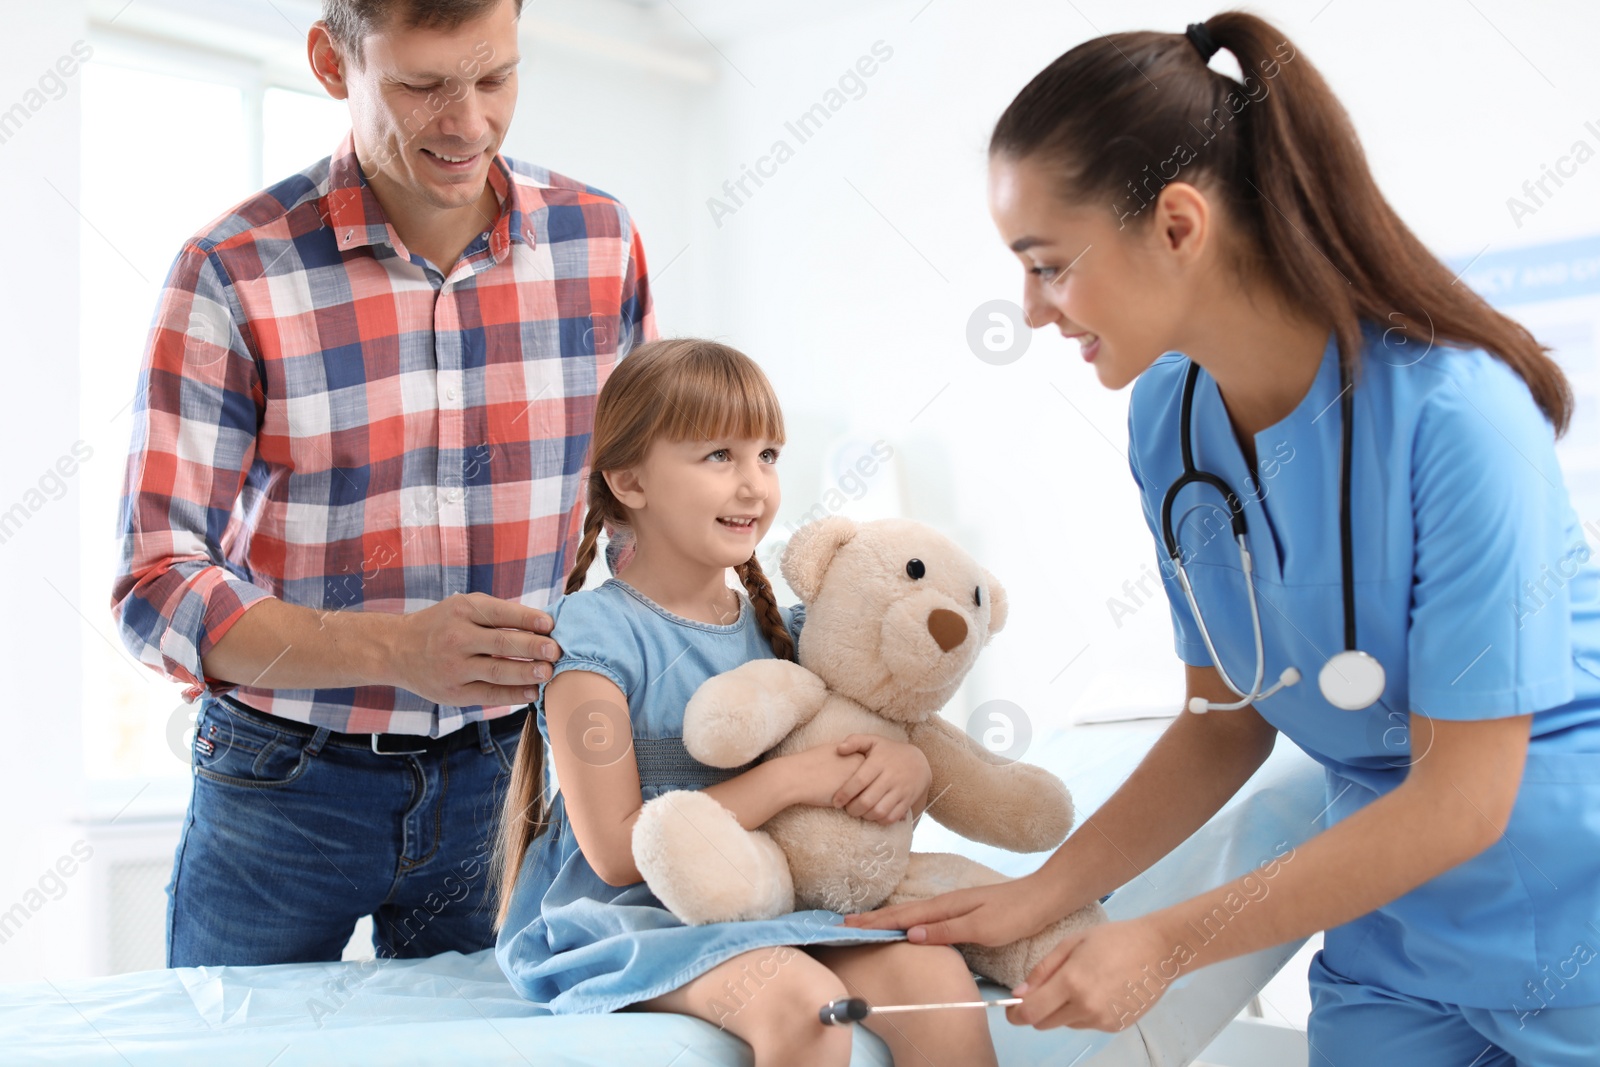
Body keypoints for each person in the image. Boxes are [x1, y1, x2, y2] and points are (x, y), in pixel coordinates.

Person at [846, 11, 1600, 1064]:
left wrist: (1165, 940)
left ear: (1177, 224)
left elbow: (1463, 796)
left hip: (1568, 922)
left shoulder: (1459, 416)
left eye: (1049, 263)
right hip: (1393, 939)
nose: (1029, 309)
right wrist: (1043, 891)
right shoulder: (1171, 418)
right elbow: (1220, 717)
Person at [111, 0, 653, 967]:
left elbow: (640, 518)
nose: (470, 124)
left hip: (520, 771)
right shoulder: (229, 272)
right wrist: (396, 649)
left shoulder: (601, 243)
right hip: (282, 784)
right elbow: (155, 586)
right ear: (332, 61)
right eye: (422, 85)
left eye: (495, 79)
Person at [493, 339, 1000, 1066]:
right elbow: (614, 849)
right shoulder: (593, 637)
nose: (754, 483)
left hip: (772, 899)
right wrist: (795, 779)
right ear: (629, 479)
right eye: (719, 456)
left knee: (935, 983)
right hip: (633, 915)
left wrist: (909, 770)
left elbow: (879, 737)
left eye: (767, 455)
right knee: (808, 1010)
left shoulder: (788, 631)